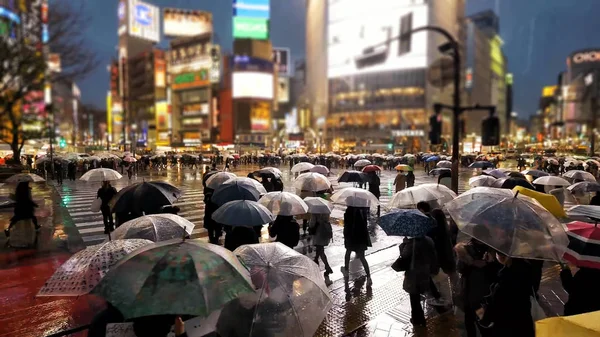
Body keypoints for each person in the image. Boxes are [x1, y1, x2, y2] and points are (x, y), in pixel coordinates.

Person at [478, 254, 535, 337]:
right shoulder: (526, 270)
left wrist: (483, 318)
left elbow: (495, 306)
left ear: (502, 257)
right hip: (524, 323)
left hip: (506, 326)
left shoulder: (504, 280)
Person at [455, 237, 501, 337]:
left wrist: (489, 263)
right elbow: (460, 269)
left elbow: (496, 272)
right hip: (472, 291)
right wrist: (472, 263)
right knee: (473, 318)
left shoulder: (491, 250)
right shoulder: (465, 250)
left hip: (480, 293)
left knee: (480, 318)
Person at [397, 236, 439, 327]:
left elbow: (404, 257)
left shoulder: (411, 244)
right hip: (425, 271)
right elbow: (433, 256)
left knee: (414, 297)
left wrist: (404, 244)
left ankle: (417, 319)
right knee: (419, 294)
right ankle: (419, 318)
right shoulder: (429, 240)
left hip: (414, 274)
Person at [341, 203, 372, 286]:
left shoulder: (348, 213)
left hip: (351, 238)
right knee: (362, 257)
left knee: (348, 252)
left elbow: (346, 226)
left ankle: (346, 271)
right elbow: (365, 225)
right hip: (361, 238)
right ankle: (369, 277)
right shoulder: (362, 211)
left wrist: (345, 236)